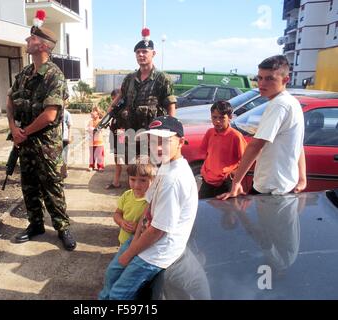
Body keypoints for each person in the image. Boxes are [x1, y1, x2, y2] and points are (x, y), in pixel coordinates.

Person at [99, 116, 198, 300]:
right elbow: (149, 209)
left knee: (118, 294)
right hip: (145, 238)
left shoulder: (173, 179)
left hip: (157, 251)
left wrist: (129, 253)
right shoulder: (166, 166)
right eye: (153, 141)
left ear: (181, 142)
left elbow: (158, 231)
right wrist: (134, 241)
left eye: (165, 141)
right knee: (112, 274)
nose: (158, 147)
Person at [6, 10, 76, 251]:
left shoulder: (55, 76)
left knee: (52, 186)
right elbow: (10, 102)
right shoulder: (24, 74)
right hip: (24, 143)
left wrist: (23, 132)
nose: (27, 41)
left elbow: (50, 115)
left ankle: (62, 228)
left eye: (31, 39)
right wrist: (13, 127)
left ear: (43, 45)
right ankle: (35, 224)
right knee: (29, 185)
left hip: (47, 145)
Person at [218, 55, 307, 201]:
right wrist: (302, 178)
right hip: (284, 186)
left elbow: (255, 145)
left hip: (271, 189)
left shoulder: (279, 105)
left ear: (286, 80)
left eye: (270, 78)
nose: (262, 83)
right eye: (259, 78)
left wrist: (236, 183)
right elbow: (299, 144)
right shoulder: (292, 102)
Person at [108, 28, 177, 166]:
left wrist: (171, 128)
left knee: (152, 166)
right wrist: (111, 108)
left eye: (144, 51)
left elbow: (170, 104)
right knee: (133, 165)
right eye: (138, 52)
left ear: (153, 53)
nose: (141, 55)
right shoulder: (130, 78)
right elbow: (121, 93)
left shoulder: (162, 78)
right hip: (131, 131)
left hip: (152, 132)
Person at [198, 100, 247, 199]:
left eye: (221, 118)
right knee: (202, 209)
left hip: (225, 182)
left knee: (225, 211)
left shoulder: (236, 136)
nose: (217, 121)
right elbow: (206, 153)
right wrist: (205, 170)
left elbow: (245, 160)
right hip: (207, 181)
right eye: (214, 117)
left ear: (229, 117)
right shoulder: (210, 133)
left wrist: (232, 174)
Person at [113, 159, 156, 246]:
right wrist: (121, 222)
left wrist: (139, 228)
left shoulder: (152, 201)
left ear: (153, 180)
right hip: (123, 242)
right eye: (132, 179)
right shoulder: (127, 195)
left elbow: (154, 227)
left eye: (143, 180)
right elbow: (117, 213)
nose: (136, 185)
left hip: (140, 246)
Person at [106, 88, 124, 189]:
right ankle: (116, 182)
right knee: (117, 160)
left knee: (127, 159)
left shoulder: (125, 107)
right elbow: (108, 111)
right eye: (113, 99)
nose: (114, 101)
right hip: (115, 135)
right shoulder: (116, 109)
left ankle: (131, 183)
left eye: (115, 99)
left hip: (121, 135)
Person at [87, 106, 105, 172]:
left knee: (100, 155)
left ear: (98, 113)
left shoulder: (101, 121)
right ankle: (91, 165)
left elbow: (101, 129)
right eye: (92, 111)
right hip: (91, 142)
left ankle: (100, 166)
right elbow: (88, 129)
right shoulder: (90, 121)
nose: (92, 112)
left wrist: (96, 129)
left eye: (94, 111)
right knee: (92, 155)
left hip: (99, 141)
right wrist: (93, 129)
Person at [61, 103, 72, 178]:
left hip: (64, 137)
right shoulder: (55, 113)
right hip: (56, 138)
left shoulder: (67, 113)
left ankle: (64, 170)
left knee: (65, 155)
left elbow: (69, 126)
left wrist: (69, 136)